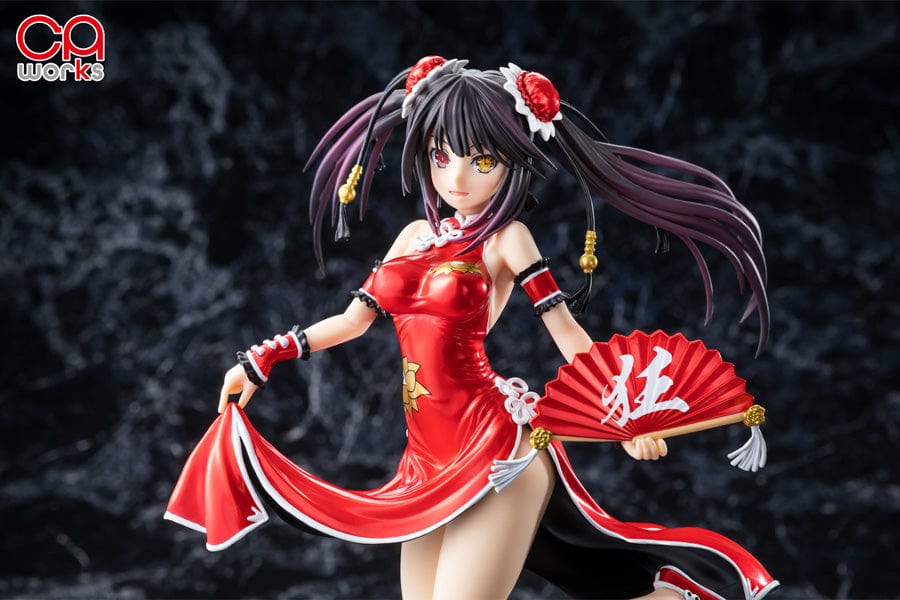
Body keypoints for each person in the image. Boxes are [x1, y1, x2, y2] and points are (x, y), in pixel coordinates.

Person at [166, 57, 777, 599]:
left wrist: (626, 416)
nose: (457, 178)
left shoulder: (508, 239)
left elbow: (566, 333)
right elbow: (354, 321)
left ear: (513, 163)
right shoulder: (413, 237)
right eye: (441, 156)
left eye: (481, 160)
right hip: (424, 459)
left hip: (493, 448)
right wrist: (261, 359)